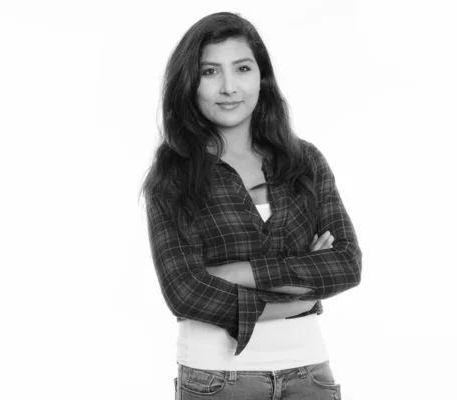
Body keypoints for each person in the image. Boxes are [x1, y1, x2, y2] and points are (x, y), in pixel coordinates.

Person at [140, 11, 361, 400]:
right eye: (210, 72)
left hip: (310, 374)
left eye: (242, 68)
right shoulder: (172, 174)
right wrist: (302, 297)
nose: (229, 87)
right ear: (190, 84)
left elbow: (346, 264)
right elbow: (185, 290)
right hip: (218, 379)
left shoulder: (305, 161)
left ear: (262, 77)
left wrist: (237, 272)